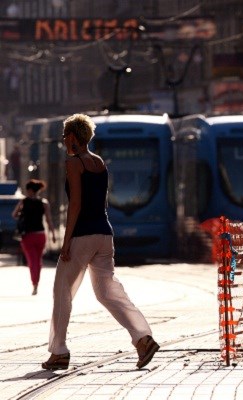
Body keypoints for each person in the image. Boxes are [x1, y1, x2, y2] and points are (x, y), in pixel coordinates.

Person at [42, 114, 159, 371]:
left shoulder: (74, 163)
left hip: (82, 235)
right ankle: (143, 338)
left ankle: (59, 351)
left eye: (65, 136)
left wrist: (66, 241)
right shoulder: (98, 162)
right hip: (104, 235)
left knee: (62, 291)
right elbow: (99, 202)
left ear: (72, 137)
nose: (63, 141)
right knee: (108, 291)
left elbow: (75, 204)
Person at [12, 179, 56, 295]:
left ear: (30, 190)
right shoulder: (44, 203)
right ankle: (36, 283)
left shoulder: (23, 201)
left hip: (27, 236)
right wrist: (53, 234)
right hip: (41, 235)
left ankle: (34, 284)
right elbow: (49, 220)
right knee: (38, 260)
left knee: (32, 261)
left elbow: (14, 215)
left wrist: (22, 214)